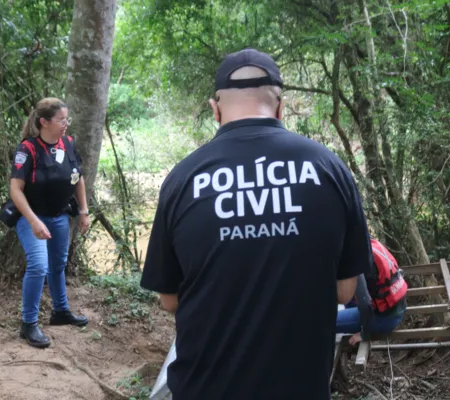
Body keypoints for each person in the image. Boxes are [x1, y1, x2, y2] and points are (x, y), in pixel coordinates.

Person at [140, 48, 373, 400]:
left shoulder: (183, 179)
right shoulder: (330, 169)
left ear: (215, 110)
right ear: (281, 107)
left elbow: (169, 300)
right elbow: (344, 292)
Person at [9, 97, 91, 348]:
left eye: (68, 119)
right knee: (38, 266)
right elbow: (15, 189)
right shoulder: (28, 149)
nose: (66, 123)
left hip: (58, 216)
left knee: (58, 265)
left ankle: (60, 312)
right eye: (62, 119)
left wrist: (84, 211)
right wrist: (33, 221)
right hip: (30, 217)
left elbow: (78, 178)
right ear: (44, 122)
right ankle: (29, 324)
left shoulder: (67, 143)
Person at [336, 238, 409, 346]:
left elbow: (365, 303)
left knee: (324, 322)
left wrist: (364, 333)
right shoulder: (368, 243)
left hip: (384, 318)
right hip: (398, 309)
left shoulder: (354, 259)